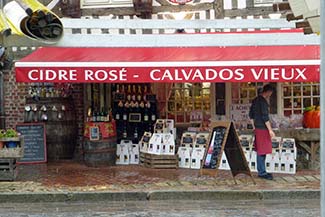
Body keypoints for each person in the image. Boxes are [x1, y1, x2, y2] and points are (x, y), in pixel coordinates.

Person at [249, 84, 275, 180]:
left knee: (260, 150)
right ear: (268, 92)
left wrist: (254, 126)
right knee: (262, 151)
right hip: (263, 128)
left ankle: (261, 170)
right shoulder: (263, 102)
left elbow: (250, 115)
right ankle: (262, 172)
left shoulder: (255, 100)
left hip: (257, 127)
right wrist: (270, 130)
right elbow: (265, 117)